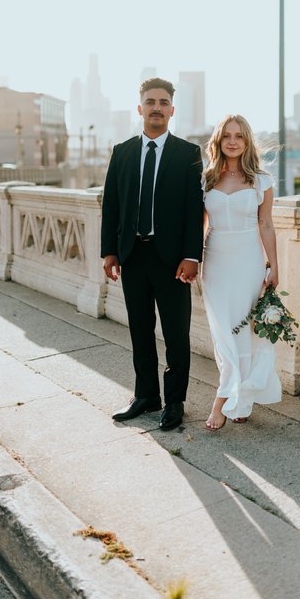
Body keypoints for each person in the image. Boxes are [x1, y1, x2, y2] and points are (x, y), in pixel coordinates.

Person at [101, 78, 204, 431]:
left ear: (171, 110)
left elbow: (194, 210)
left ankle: (174, 402)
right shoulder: (122, 151)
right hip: (132, 256)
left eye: (163, 102)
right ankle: (146, 395)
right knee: (140, 330)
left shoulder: (188, 154)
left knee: (176, 333)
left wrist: (192, 255)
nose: (156, 107)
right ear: (140, 108)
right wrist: (109, 252)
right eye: (150, 101)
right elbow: (111, 207)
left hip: (172, 259)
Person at [201, 114, 282, 431]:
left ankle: (227, 401)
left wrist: (274, 265)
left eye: (239, 136)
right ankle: (236, 395)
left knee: (243, 331)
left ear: (247, 142)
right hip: (216, 262)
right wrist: (191, 262)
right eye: (226, 136)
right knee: (224, 334)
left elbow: (266, 224)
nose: (232, 141)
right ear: (219, 142)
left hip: (249, 261)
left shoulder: (262, 180)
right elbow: (201, 226)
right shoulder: (206, 179)